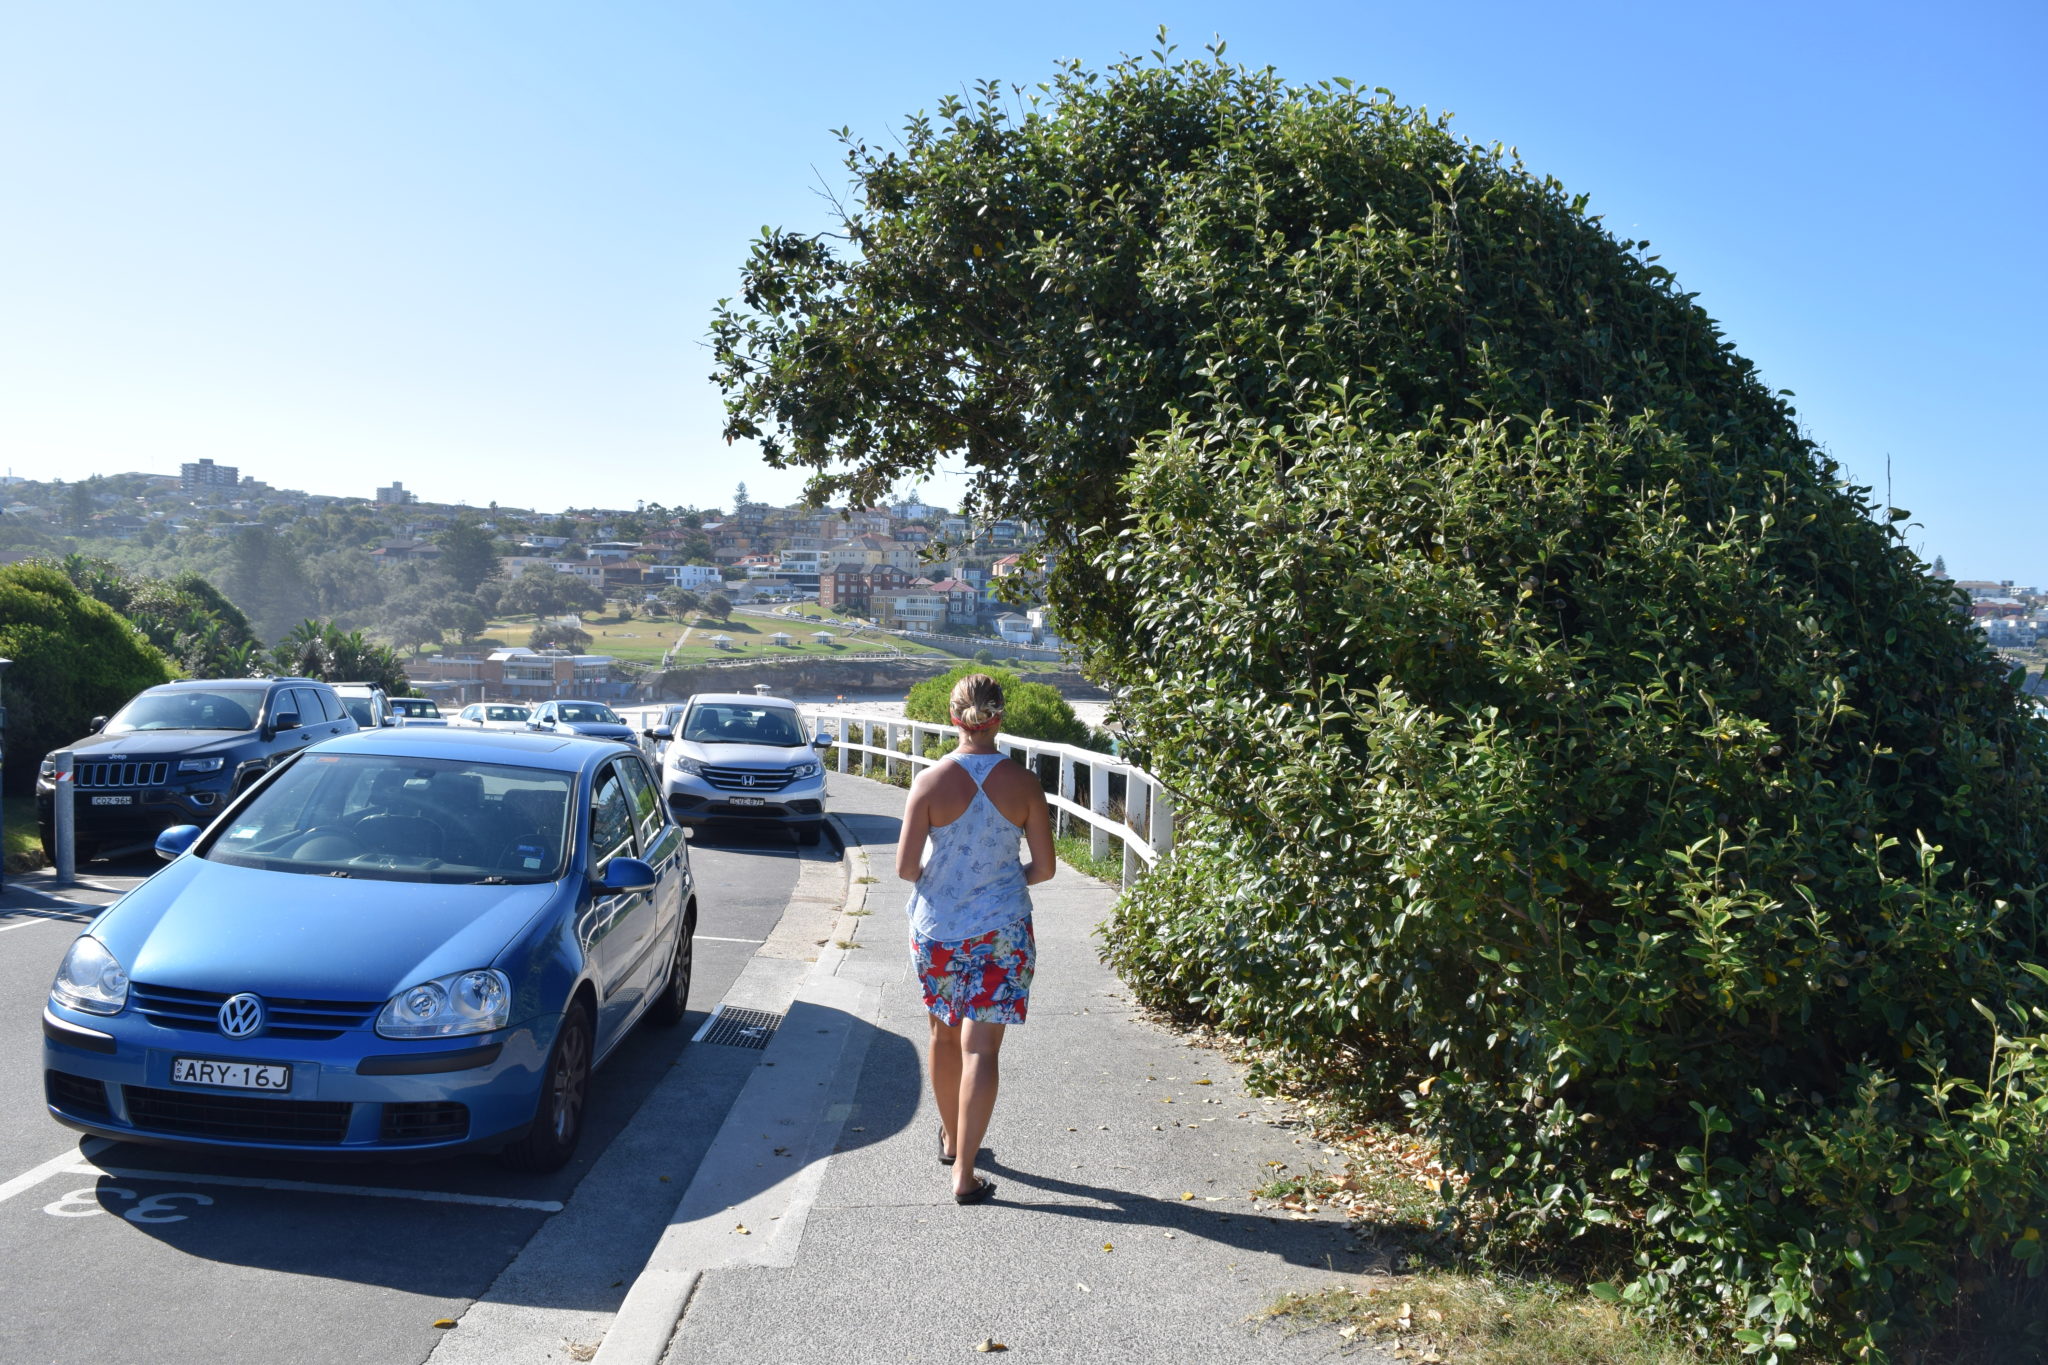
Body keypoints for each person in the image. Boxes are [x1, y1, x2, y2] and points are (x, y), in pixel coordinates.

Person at [897, 673, 1056, 1204]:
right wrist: (1005, 884)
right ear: (999, 718)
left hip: (938, 929)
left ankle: (949, 1138)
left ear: (953, 718)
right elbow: (1047, 868)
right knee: (982, 1049)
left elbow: (904, 868)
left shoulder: (930, 782)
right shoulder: (1024, 783)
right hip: (1002, 932)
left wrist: (950, 889)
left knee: (943, 1036)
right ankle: (963, 1174)